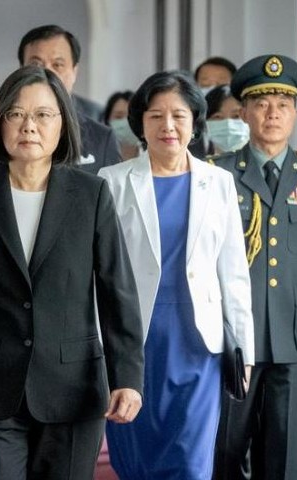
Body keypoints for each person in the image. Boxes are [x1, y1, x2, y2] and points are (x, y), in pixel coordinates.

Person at [0, 65, 144, 480]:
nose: (29, 127)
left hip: (72, 390)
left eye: (43, 115)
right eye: (16, 114)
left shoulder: (91, 195)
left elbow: (117, 293)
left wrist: (127, 377)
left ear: (62, 125)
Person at [98, 70, 254, 480]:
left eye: (179, 115)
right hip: (133, 341)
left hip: (197, 343)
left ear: (195, 122)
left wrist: (245, 348)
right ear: (140, 124)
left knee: (190, 461)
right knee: (136, 460)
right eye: (155, 116)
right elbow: (99, 271)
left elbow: (233, 273)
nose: (168, 126)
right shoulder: (111, 182)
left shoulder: (219, 183)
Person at [212, 54, 297, 480]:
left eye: (283, 105)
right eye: (262, 103)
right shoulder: (219, 174)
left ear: (295, 113)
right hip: (235, 340)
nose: (272, 114)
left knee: (288, 455)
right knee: (225, 449)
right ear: (245, 112)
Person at [18, 24, 121, 174]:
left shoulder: (102, 137)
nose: (47, 73)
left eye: (57, 64)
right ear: (21, 70)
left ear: (74, 71)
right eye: (36, 64)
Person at [205, 84, 249, 154]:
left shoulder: (265, 162)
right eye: (218, 117)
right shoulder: (193, 163)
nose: (228, 123)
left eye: (236, 116)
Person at [104, 90, 140, 160]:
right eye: (119, 116)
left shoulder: (154, 156)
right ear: (107, 121)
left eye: (131, 117)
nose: (126, 122)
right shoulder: (99, 156)